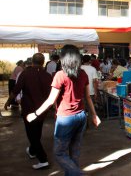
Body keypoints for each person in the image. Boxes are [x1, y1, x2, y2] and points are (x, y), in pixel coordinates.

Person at [25, 44, 101, 176]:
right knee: (74, 153)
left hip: (66, 118)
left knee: (59, 153)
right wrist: (94, 115)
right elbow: (87, 97)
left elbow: (50, 100)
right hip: (81, 116)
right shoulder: (82, 74)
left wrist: (35, 114)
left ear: (64, 58)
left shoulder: (60, 75)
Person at [4, 53, 52, 169]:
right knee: (37, 132)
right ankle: (32, 150)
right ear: (43, 62)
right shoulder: (47, 75)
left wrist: (8, 102)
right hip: (42, 110)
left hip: (29, 110)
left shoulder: (25, 74)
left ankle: (43, 160)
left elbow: (15, 90)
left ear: (31, 62)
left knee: (32, 136)